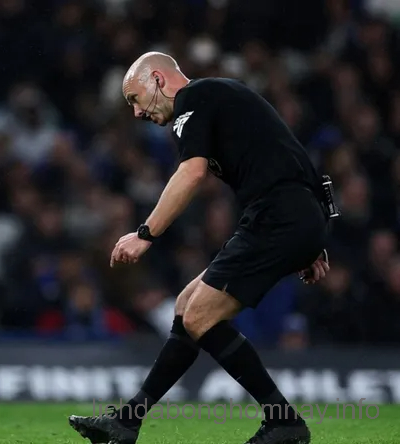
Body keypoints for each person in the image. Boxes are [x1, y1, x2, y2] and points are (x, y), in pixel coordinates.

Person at [69, 52, 334, 444]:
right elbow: (289, 150)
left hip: (279, 216)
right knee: (186, 307)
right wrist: (314, 235)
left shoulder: (194, 99)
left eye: (135, 99)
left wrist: (145, 234)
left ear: (157, 79)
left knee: (199, 316)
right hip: (287, 214)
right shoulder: (219, 99)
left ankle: (284, 422)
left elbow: (190, 173)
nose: (137, 113)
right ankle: (128, 421)